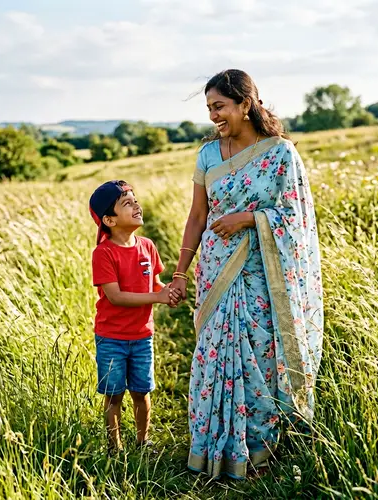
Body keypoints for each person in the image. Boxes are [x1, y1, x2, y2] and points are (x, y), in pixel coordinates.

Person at [170, 70, 323, 479]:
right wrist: (180, 273)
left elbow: (296, 219)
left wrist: (250, 218)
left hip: (261, 274)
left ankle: (258, 452)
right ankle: (212, 450)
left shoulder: (280, 153)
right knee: (213, 356)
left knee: (260, 357)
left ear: (245, 103)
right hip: (216, 271)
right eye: (209, 109)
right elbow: (198, 216)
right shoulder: (207, 155)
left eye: (219, 106)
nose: (213, 116)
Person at [89, 180, 181, 452]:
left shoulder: (147, 246)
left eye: (135, 200)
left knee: (142, 392)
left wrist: (170, 292)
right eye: (126, 203)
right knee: (114, 395)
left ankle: (143, 440)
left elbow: (155, 285)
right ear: (109, 220)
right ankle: (114, 446)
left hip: (142, 337)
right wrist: (158, 297)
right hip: (112, 338)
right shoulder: (103, 254)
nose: (136, 205)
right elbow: (116, 296)